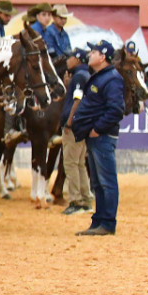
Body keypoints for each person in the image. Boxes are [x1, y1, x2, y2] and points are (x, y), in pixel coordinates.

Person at [72, 41, 125, 236]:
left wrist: (97, 128)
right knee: (98, 182)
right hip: (95, 135)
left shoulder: (111, 79)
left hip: (101, 136)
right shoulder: (102, 77)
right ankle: (99, 221)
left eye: (93, 52)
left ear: (102, 57)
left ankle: (107, 222)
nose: (90, 54)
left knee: (106, 181)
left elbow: (116, 110)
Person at [60, 51, 93, 216]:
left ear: (77, 59)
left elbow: (77, 100)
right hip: (82, 125)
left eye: (70, 57)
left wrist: (69, 122)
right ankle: (85, 199)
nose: (68, 60)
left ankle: (76, 201)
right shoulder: (85, 74)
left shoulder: (79, 76)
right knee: (79, 163)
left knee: (71, 163)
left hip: (74, 126)